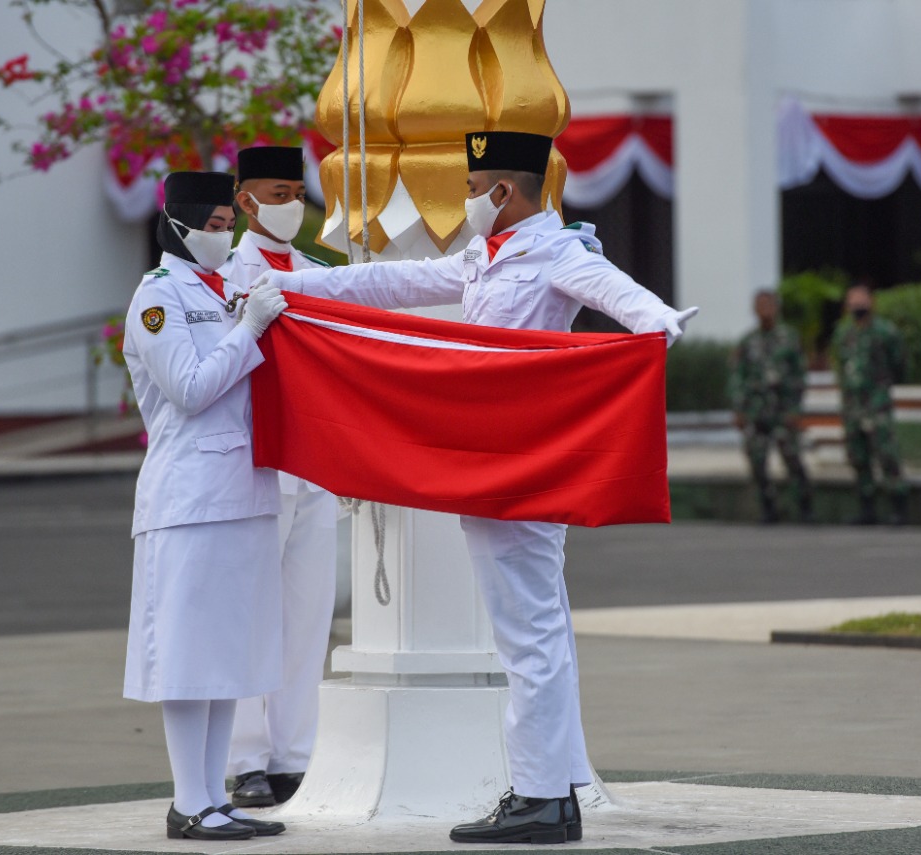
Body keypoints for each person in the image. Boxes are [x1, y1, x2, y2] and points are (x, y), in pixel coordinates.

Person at [250, 130, 696, 845]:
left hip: (521, 464)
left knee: (528, 633)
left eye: (472, 186)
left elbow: (630, 305)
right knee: (535, 626)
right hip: (488, 463)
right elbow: (387, 283)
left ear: (504, 193)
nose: (465, 199)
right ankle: (557, 782)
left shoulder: (558, 252)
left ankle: (542, 797)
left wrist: (658, 325)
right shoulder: (487, 254)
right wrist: (293, 287)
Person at [121, 171, 290, 841]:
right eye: (216, 226)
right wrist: (248, 329)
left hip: (243, 493)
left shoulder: (221, 292)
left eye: (229, 224)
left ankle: (214, 798)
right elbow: (191, 389)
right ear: (181, 228)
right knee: (191, 659)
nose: (226, 236)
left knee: (228, 656)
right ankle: (188, 800)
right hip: (187, 500)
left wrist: (245, 319)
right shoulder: (158, 299)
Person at [220, 145, 341, 809]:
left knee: (306, 612)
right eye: (277, 191)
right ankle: (246, 758)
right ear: (244, 200)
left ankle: (294, 754)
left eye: (297, 189)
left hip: (313, 460)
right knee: (252, 615)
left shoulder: (316, 271)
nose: (292, 204)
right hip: (255, 460)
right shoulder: (226, 277)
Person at [728, 289, 812, 524]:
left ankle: (805, 508)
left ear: (776, 307)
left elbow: (799, 375)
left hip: (783, 412)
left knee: (793, 460)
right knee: (756, 461)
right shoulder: (748, 341)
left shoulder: (789, 338)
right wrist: (739, 410)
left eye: (768, 304)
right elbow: (738, 377)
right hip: (756, 413)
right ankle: (768, 509)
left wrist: (796, 409)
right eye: (759, 305)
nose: (764, 309)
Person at [832, 283, 907, 525]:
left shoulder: (885, 332)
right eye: (853, 304)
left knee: (886, 455)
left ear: (871, 303)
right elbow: (841, 368)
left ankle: (898, 508)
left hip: (877, 404)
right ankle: (867, 509)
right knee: (858, 457)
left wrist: (882, 389)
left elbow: (899, 365)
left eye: (862, 303)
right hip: (853, 406)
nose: (858, 308)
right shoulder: (844, 335)